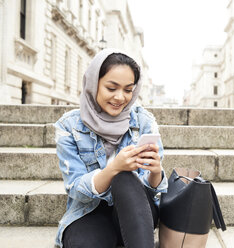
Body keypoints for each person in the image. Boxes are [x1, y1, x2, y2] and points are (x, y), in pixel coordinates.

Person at [54, 48, 168, 248]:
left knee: (124, 178)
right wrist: (113, 168)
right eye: (111, 88)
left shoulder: (143, 121)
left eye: (127, 89)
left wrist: (156, 172)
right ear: (94, 83)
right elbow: (76, 189)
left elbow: (153, 191)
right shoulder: (69, 125)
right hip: (89, 211)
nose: (120, 98)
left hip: (136, 209)